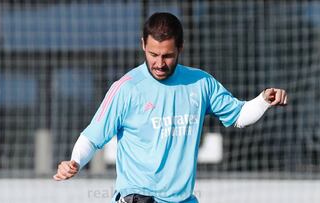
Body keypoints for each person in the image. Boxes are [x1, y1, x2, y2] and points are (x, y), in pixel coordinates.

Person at [53, 12, 287, 203]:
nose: (159, 63)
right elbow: (92, 137)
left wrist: (263, 100)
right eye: (153, 54)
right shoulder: (126, 88)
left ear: (181, 48)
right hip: (139, 196)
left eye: (168, 56)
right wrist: (74, 162)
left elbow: (240, 116)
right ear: (143, 44)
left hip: (182, 199)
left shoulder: (200, 83)